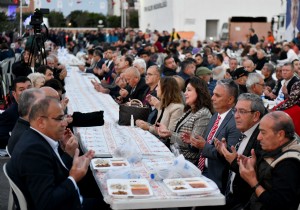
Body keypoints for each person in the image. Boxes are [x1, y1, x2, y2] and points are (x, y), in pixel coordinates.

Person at [6, 97, 109, 210]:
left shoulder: (35, 138)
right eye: (59, 118)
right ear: (41, 122)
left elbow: (52, 170)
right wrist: (73, 178)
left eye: (64, 117)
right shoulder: (33, 151)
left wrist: (68, 153)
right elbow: (46, 203)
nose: (65, 123)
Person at [238, 111, 300, 210]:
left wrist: (253, 182)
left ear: (280, 134)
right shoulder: (274, 148)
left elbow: (280, 205)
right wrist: (252, 166)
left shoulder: (289, 164)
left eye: (263, 132)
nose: (258, 137)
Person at [215, 93, 264, 209]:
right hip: (229, 197)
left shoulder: (261, 138)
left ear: (256, 116)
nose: (236, 116)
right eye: (235, 111)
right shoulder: (244, 131)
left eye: (242, 111)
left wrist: (233, 162)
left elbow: (256, 176)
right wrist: (225, 153)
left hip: (244, 203)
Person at [191, 79, 241, 193]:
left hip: (216, 178)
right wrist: (193, 143)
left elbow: (228, 155)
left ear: (230, 100)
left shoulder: (235, 122)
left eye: (217, 95)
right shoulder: (216, 116)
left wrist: (204, 146)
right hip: (201, 170)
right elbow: (205, 143)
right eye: (213, 94)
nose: (212, 98)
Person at [156, 77, 213, 165]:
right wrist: (167, 132)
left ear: (199, 92)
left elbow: (193, 144)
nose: (185, 93)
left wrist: (170, 134)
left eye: (189, 90)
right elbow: (179, 133)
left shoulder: (203, 114)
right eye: (185, 90)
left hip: (187, 162)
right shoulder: (190, 110)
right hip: (176, 156)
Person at [135, 76, 184, 145]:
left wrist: (148, 127)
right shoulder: (164, 104)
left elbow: (168, 134)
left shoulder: (177, 108)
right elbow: (157, 127)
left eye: (158, 86)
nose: (156, 89)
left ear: (165, 89)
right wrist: (144, 124)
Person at [7, 88, 45, 155]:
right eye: (44, 103)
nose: (48, 107)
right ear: (31, 108)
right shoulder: (29, 138)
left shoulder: (24, 127)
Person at [0, 77, 32, 149]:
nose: (27, 92)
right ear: (14, 94)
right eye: (21, 90)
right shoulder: (9, 113)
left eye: (29, 88)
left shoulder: (38, 108)